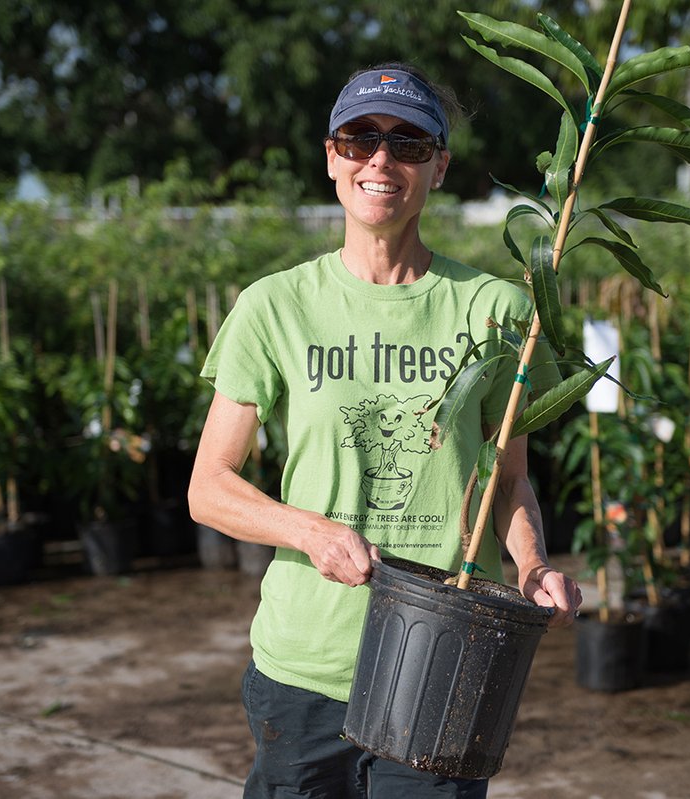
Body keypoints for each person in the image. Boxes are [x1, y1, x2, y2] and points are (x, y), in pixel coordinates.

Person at [187, 62, 582, 799]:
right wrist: (313, 532)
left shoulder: (497, 308)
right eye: (359, 137)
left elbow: (509, 477)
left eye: (407, 143)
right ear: (331, 156)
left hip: (445, 662)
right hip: (308, 665)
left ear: (439, 166)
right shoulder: (274, 307)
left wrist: (530, 567)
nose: (380, 159)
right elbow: (208, 488)